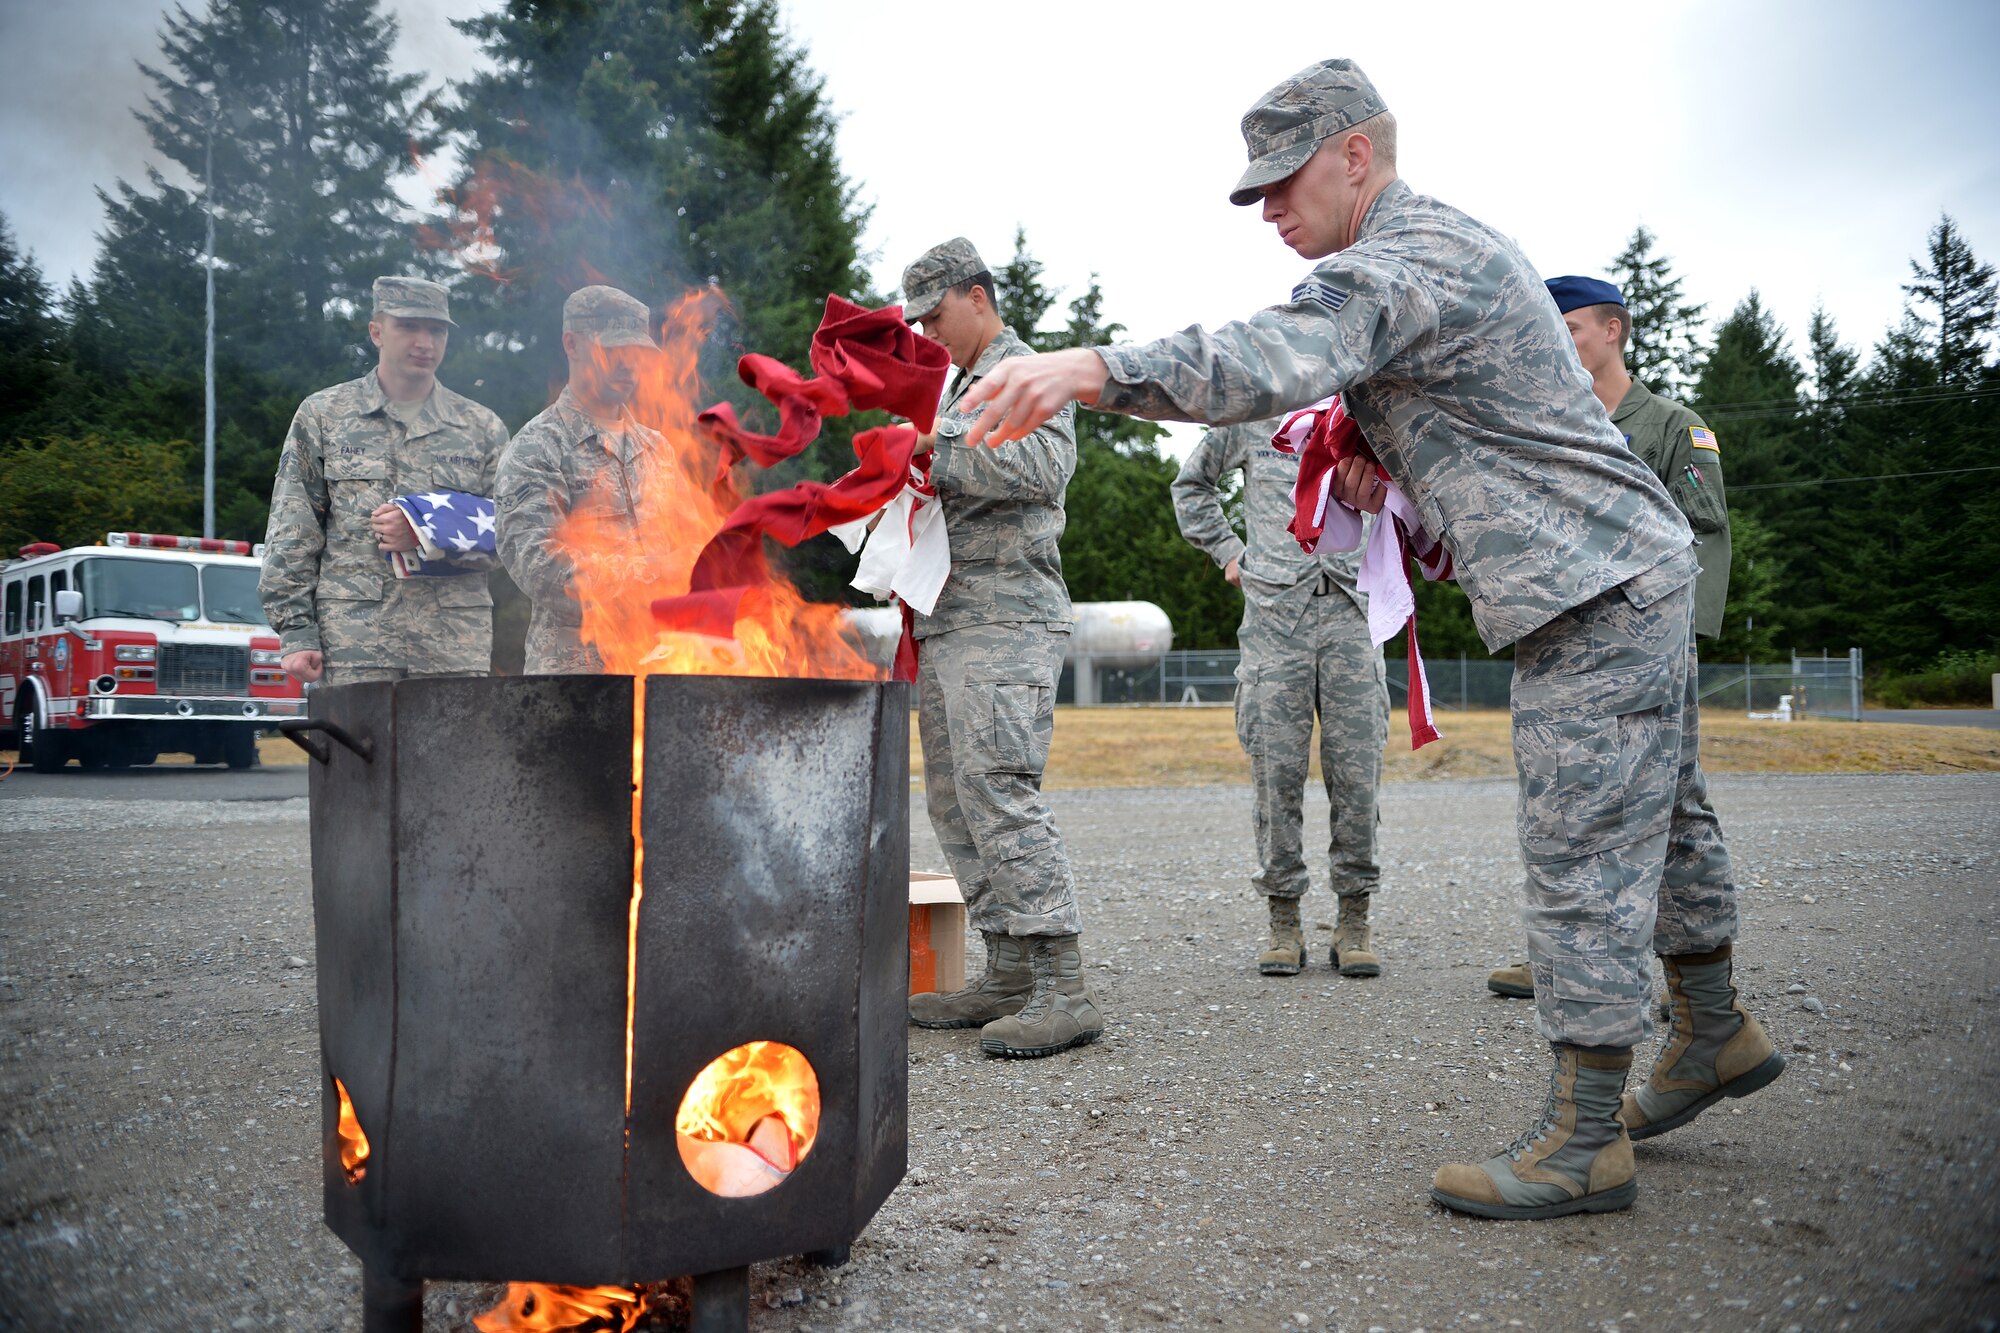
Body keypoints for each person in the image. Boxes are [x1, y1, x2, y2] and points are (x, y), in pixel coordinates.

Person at [953, 59, 1784, 1218]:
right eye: (1255, 196)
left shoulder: (1401, 256)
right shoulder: (1427, 259)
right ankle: (1709, 1032)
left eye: (1283, 183)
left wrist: (1092, 368)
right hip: (1616, 572)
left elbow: (1273, 356)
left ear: (1356, 155)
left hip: (1595, 588)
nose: (1270, 212)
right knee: (1667, 822)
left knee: (1582, 847)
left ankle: (1583, 1139)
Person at [1486, 277, 1734, 1001]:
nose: (1557, 343)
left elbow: (1705, 531)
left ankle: (1677, 981)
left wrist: (1681, 636)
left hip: (1650, 643)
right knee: (1566, 800)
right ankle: (1565, 957)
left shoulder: (1668, 426)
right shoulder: (1551, 423)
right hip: (1568, 645)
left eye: (1570, 329)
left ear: (1613, 330)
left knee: (1661, 800)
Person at [896, 237, 1102, 1060]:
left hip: (1007, 616)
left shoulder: (1027, 375)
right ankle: (1010, 967)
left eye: (934, 314)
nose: (926, 331)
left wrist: (933, 449)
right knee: (955, 798)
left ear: (975, 296)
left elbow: (1045, 466)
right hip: (948, 615)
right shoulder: (956, 384)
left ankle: (1065, 987)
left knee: (1000, 788)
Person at [1172, 418, 1388, 977]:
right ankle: (1284, 919)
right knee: (1276, 776)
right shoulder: (1251, 415)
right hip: (1274, 618)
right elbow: (1191, 483)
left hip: (1353, 613)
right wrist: (1227, 550)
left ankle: (1353, 919)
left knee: (1358, 775)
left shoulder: (1360, 408)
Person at [260, 276, 507, 686]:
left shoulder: (481, 428)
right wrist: (297, 629)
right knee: (353, 752)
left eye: (437, 329)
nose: (425, 342)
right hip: (355, 644)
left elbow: (513, 532)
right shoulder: (324, 415)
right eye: (408, 326)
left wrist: (427, 534)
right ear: (376, 331)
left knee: (455, 753)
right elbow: (292, 528)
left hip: (452, 648)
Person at [495, 285, 664, 674]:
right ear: (572, 344)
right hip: (577, 676)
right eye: (614, 350)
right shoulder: (538, 447)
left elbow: (685, 543)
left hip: (660, 668)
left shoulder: (658, 450)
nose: (628, 364)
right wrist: (651, 574)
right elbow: (537, 564)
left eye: (636, 352)